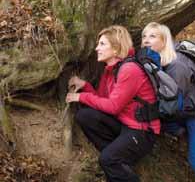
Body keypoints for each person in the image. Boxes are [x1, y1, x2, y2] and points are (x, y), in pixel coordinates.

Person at [65, 25, 160, 182]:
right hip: (124, 124)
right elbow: (102, 100)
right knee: (85, 116)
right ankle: (117, 158)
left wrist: (80, 97)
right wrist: (85, 86)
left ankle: (115, 160)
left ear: (116, 49)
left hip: (142, 132)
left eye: (102, 44)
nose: (96, 48)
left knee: (107, 160)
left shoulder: (129, 70)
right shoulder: (110, 70)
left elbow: (113, 106)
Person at [141, 22, 195, 182]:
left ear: (164, 41)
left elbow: (170, 105)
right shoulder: (157, 62)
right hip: (186, 111)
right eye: (144, 36)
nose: (146, 40)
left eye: (152, 36)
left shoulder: (176, 66)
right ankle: (180, 132)